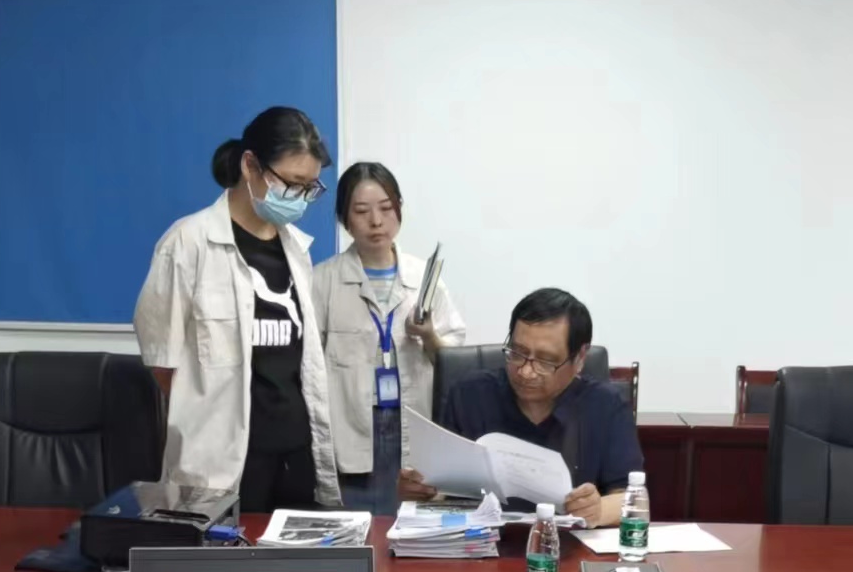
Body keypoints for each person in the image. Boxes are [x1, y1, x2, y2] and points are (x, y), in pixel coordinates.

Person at [132, 106, 340, 512]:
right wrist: (209, 412)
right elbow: (161, 361)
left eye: (309, 188)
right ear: (250, 165)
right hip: (223, 461)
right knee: (223, 552)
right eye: (291, 183)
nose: (299, 198)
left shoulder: (297, 249)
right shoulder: (188, 243)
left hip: (296, 453)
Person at [404, 288, 641, 527]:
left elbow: (634, 500)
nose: (526, 372)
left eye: (545, 361)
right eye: (517, 353)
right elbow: (441, 492)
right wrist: (418, 490)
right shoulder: (469, 396)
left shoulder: (605, 406)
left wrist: (598, 510)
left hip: (567, 544)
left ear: (579, 358)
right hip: (480, 541)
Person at [310, 162, 466, 515]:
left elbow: (453, 362)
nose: (376, 221)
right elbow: (309, 366)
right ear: (344, 218)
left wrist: (428, 336)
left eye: (385, 208)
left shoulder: (424, 278)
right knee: (357, 527)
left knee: (408, 525)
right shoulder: (322, 280)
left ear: (399, 209)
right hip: (351, 426)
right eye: (361, 211)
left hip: (411, 420)